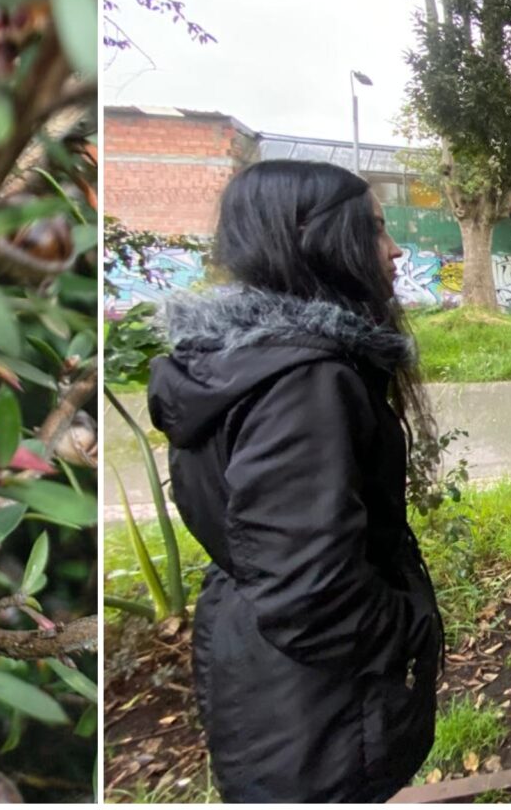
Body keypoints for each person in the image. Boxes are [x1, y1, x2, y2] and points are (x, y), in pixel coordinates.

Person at [147, 159, 443, 802]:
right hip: (316, 711)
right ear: (315, 238)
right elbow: (312, 590)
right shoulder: (305, 382)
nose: (394, 251)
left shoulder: (234, 364)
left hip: (275, 680)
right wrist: (408, 625)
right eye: (374, 230)